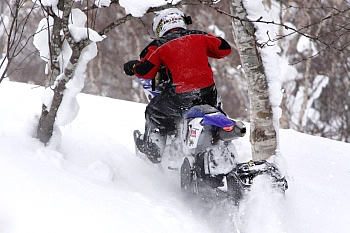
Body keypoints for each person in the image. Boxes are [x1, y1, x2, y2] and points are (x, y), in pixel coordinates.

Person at [123, 8, 232, 163]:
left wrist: (133, 67)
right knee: (217, 109)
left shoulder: (159, 45)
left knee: (154, 110)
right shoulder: (199, 36)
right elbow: (224, 49)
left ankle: (154, 149)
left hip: (181, 97)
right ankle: (221, 140)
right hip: (208, 94)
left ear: (160, 26)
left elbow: (145, 71)